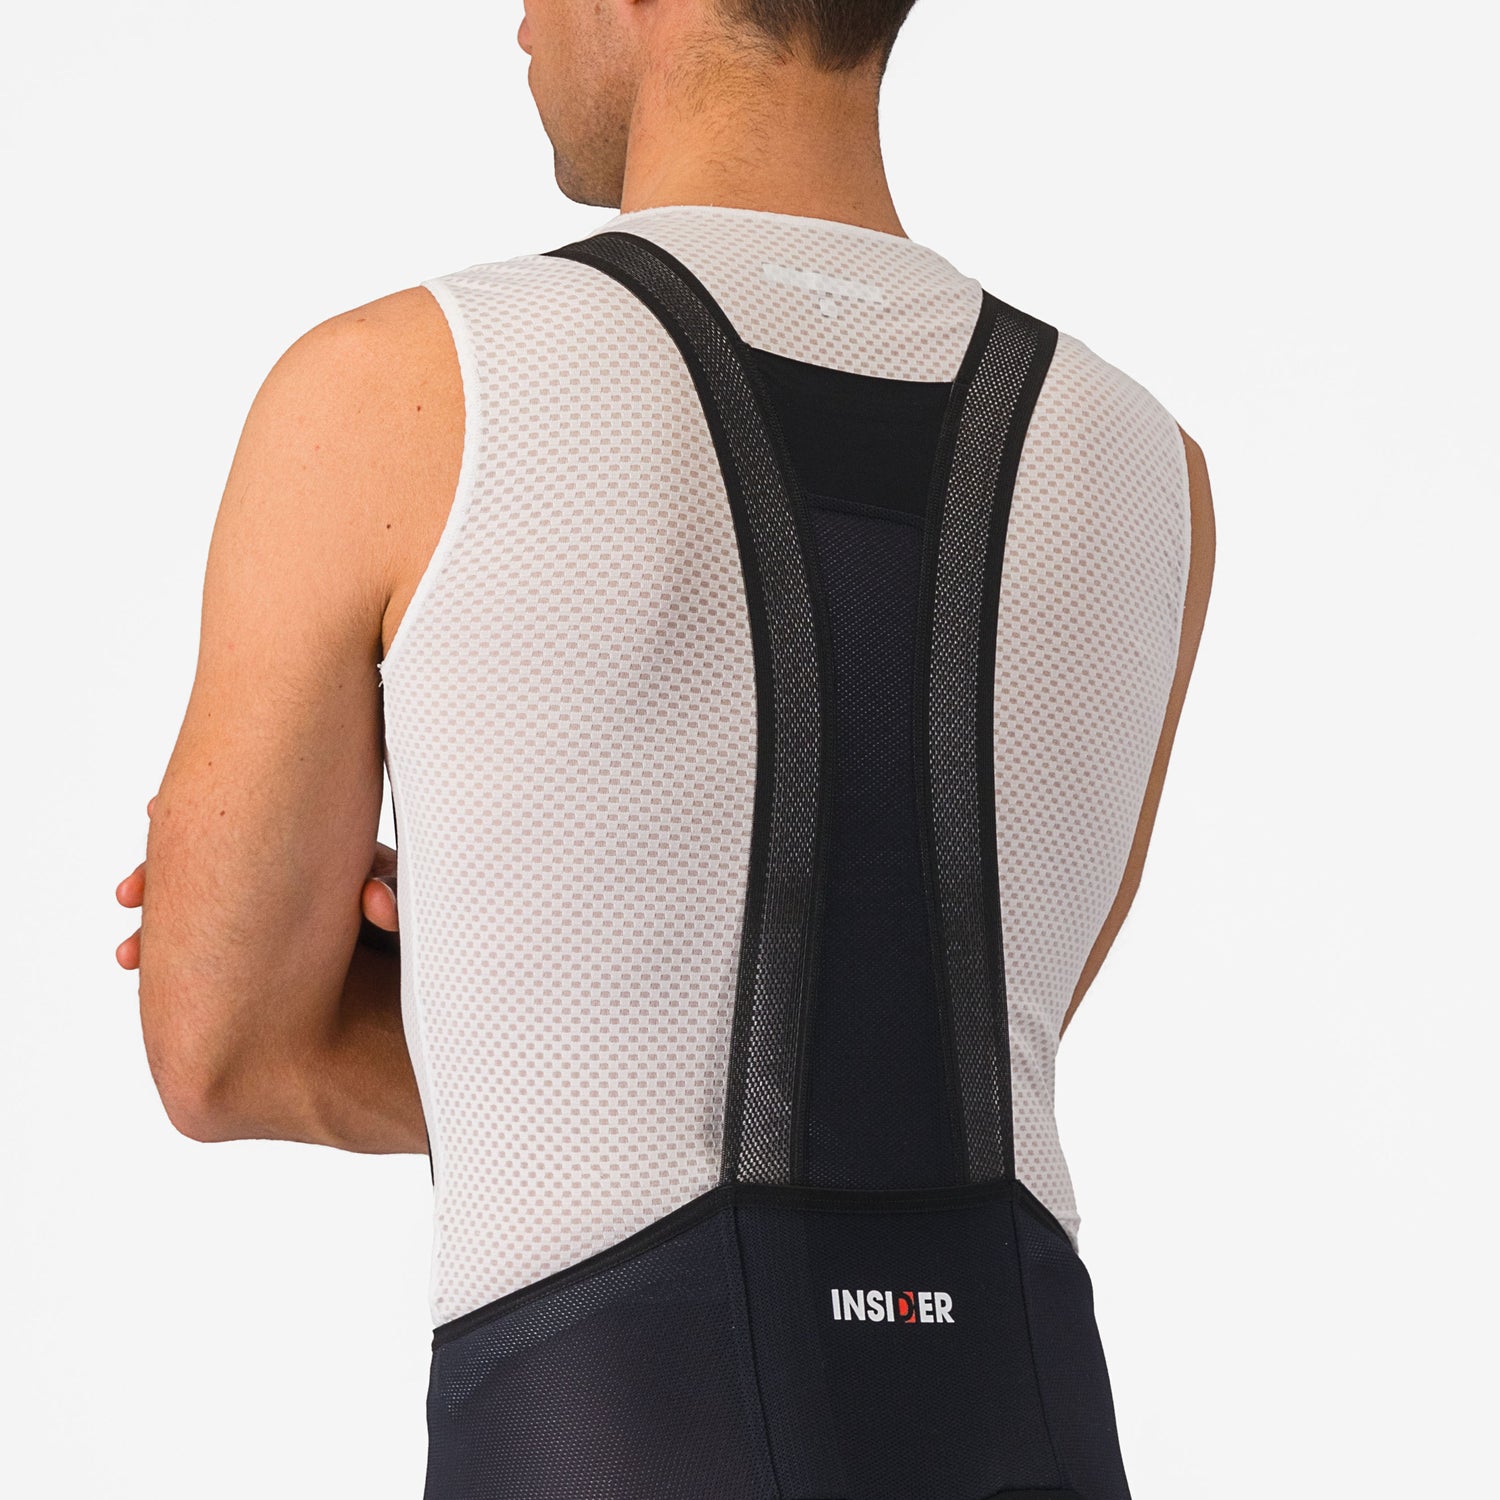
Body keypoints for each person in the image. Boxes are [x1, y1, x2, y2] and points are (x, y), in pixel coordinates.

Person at [116, 1, 1215, 1495]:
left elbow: (220, 1049)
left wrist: (500, 987)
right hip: (1025, 1415)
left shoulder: (390, 393)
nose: (518, 19)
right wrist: (548, 990)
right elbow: (947, 1044)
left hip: (611, 1425)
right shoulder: (1149, 468)